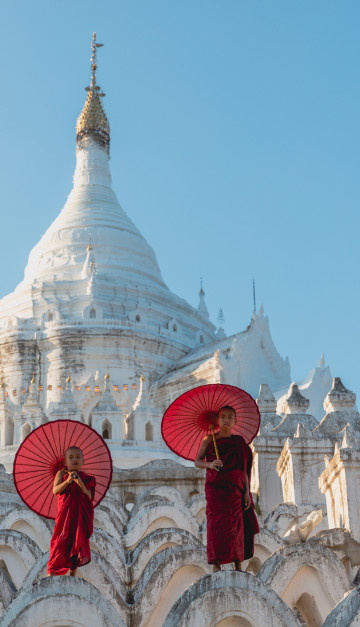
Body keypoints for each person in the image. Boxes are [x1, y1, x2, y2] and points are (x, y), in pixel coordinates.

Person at [195, 405, 259, 572]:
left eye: (230, 417)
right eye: (223, 417)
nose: (226, 420)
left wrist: (246, 492)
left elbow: (243, 470)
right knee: (216, 525)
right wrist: (210, 463)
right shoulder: (209, 440)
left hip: (235, 489)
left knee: (237, 525)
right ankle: (216, 563)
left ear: (235, 421)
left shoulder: (239, 443)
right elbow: (197, 461)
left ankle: (237, 562)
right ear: (217, 420)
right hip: (216, 489)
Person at [47, 446, 96, 576]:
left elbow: (89, 497)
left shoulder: (86, 478)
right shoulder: (61, 474)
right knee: (60, 540)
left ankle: (73, 573)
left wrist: (79, 482)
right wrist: (68, 481)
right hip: (64, 514)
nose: (75, 460)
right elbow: (55, 490)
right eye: (71, 457)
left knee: (77, 540)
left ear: (83, 461)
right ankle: (51, 572)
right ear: (65, 462)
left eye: (78, 457)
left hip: (78, 516)